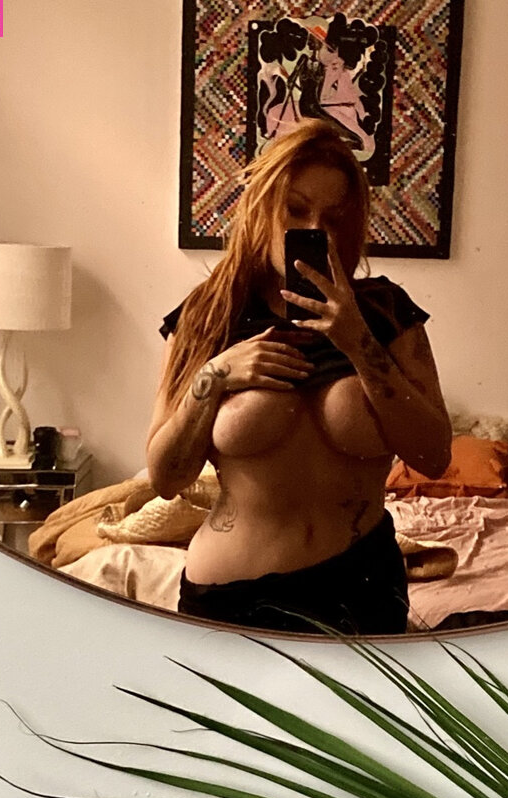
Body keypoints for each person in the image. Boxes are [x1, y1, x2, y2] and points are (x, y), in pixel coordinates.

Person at [147, 119, 451, 634]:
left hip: (362, 587)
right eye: (295, 209)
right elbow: (165, 478)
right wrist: (216, 375)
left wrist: (358, 342)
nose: (317, 230)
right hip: (231, 598)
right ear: (260, 208)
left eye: (334, 216)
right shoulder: (207, 316)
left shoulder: (386, 312)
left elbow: (434, 456)